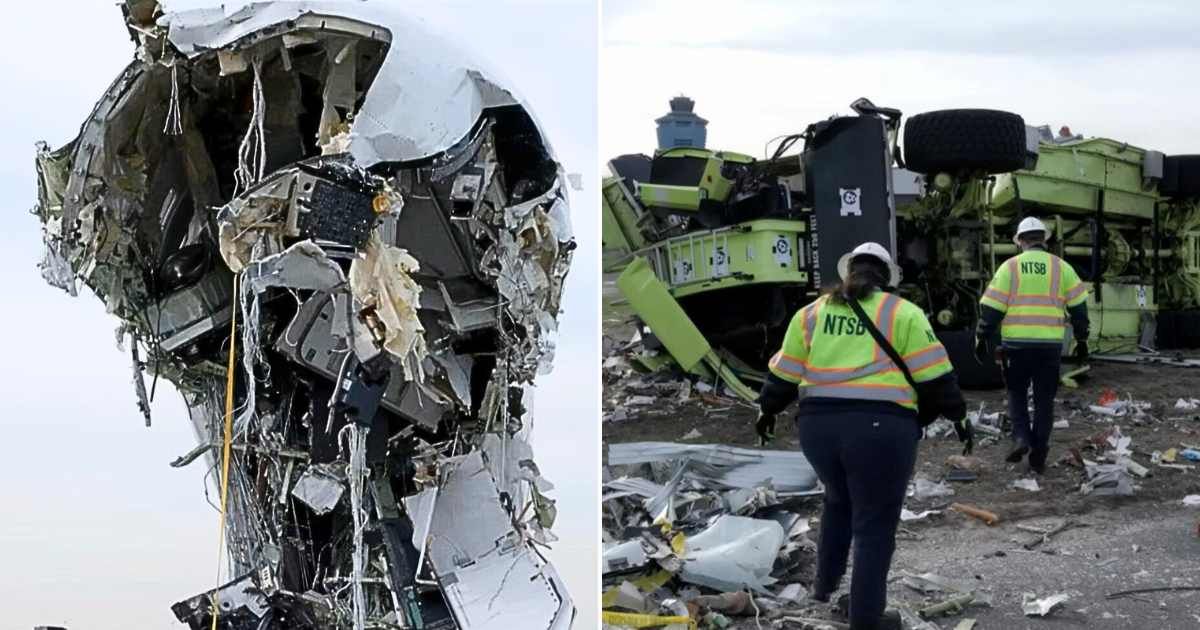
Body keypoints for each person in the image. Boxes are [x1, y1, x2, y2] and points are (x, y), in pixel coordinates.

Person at [756, 242, 970, 630]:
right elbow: (935, 377)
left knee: (838, 501)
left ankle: (823, 587)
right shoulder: (903, 313)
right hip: (880, 433)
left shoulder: (811, 313)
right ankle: (867, 618)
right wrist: (958, 416)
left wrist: (767, 411)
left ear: (849, 272)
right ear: (887, 277)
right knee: (874, 525)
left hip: (818, 432)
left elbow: (783, 375)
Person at [975, 217, 1089, 474]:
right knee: (1044, 401)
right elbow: (1079, 309)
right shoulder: (1062, 268)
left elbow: (991, 309)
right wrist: (1082, 340)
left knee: (1016, 394)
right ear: (1044, 240)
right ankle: (1038, 454)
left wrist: (982, 336)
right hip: (1049, 347)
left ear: (1020, 241)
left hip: (1016, 346)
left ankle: (1021, 439)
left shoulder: (1010, 267)